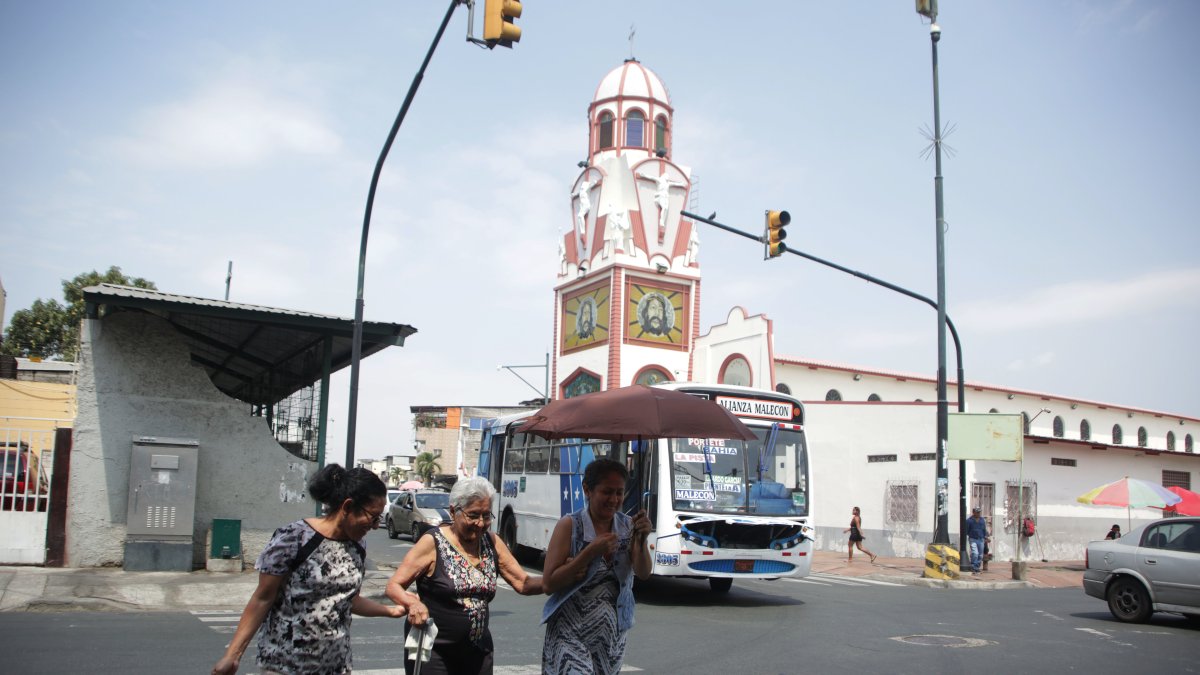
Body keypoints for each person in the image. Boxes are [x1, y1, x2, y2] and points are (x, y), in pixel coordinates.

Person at [212, 465, 406, 675]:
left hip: (336, 666)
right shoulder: (294, 537)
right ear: (348, 507)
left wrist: (391, 611)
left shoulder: (358, 546)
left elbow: (347, 600)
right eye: (373, 517)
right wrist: (233, 655)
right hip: (285, 665)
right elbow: (262, 598)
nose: (376, 526)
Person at [385, 476, 542, 675]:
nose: (480, 523)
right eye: (473, 515)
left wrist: (562, 578)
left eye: (486, 516)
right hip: (434, 651)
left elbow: (523, 583)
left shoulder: (492, 542)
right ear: (453, 511)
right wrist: (412, 604)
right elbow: (394, 586)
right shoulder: (432, 542)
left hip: (477, 651)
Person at [542, 458, 652, 675]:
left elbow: (643, 572)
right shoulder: (570, 526)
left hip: (612, 636)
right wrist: (590, 553)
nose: (614, 499)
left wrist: (642, 538)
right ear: (587, 490)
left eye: (619, 492)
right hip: (570, 633)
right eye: (607, 492)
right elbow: (548, 583)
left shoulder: (628, 525)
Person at [965, 506, 990, 575]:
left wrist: (986, 537)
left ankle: (977, 567)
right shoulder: (969, 520)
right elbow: (966, 530)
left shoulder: (982, 520)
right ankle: (973, 567)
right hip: (973, 539)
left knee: (980, 555)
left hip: (981, 539)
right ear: (973, 512)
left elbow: (984, 529)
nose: (978, 513)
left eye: (979, 512)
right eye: (977, 512)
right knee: (975, 553)